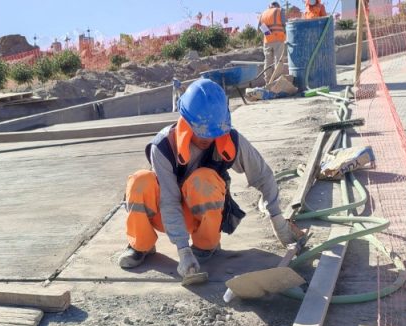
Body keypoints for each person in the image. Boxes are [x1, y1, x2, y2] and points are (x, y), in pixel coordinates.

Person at [118, 79, 304, 278]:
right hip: (166, 214)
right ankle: (141, 245)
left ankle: (205, 245)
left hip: (202, 215)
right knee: (139, 182)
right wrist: (182, 250)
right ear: (186, 121)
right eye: (201, 133)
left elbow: (263, 176)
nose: (207, 139)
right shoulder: (163, 146)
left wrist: (277, 218)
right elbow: (169, 201)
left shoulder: (230, 139)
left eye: (213, 133)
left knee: (203, 179)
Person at [258, 2, 287, 74]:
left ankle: (268, 81)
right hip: (278, 39)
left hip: (267, 40)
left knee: (267, 61)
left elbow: (259, 27)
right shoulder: (280, 10)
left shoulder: (263, 13)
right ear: (277, 5)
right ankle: (277, 79)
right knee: (279, 60)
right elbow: (285, 23)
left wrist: (268, 34)